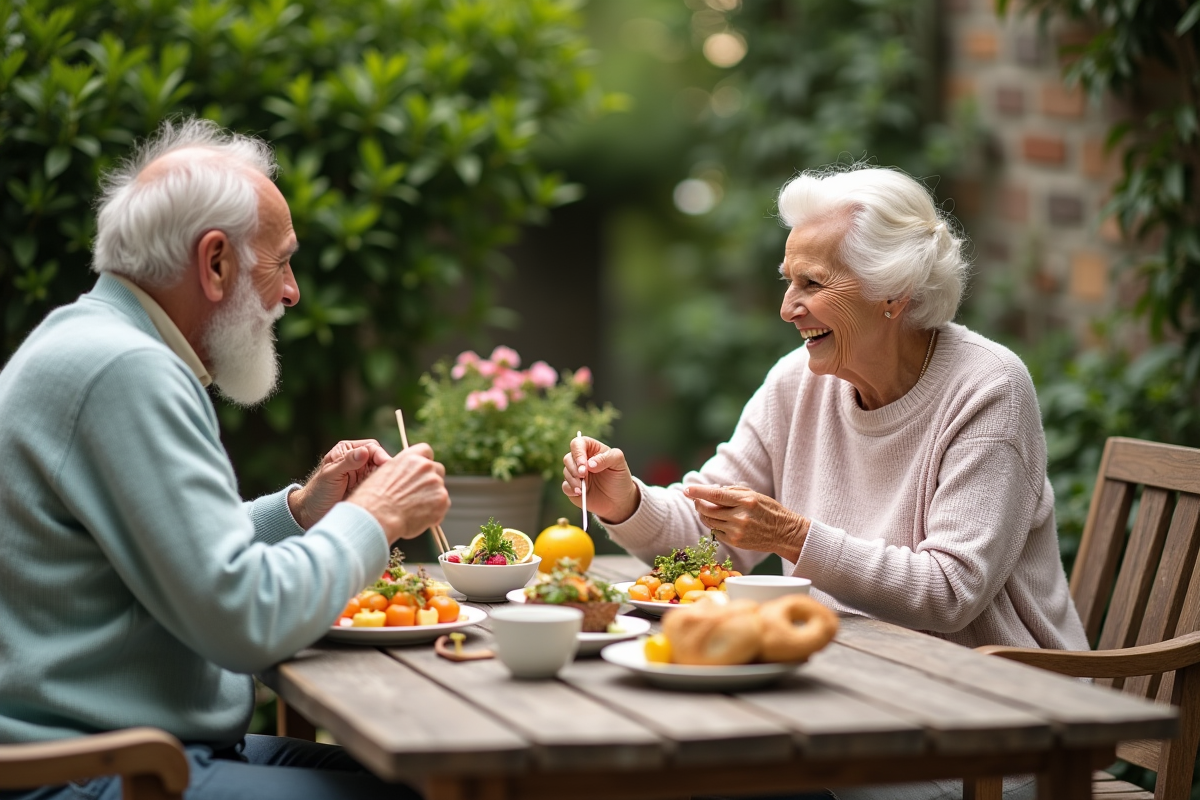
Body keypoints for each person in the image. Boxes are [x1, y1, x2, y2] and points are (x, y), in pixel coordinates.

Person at [562, 166, 1088, 800]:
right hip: (844, 698)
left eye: (811, 283)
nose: (788, 307)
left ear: (893, 292)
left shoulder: (988, 389)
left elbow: (951, 591)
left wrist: (793, 537)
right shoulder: (798, 380)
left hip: (987, 727)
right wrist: (628, 503)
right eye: (788, 281)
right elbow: (711, 539)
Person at [0, 118, 449, 800]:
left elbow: (180, 555)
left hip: (129, 751)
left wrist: (300, 512)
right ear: (215, 262)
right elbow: (246, 621)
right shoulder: (124, 368)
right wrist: (374, 516)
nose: (292, 292)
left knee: (429, 780)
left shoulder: (97, 342)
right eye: (281, 261)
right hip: (96, 772)